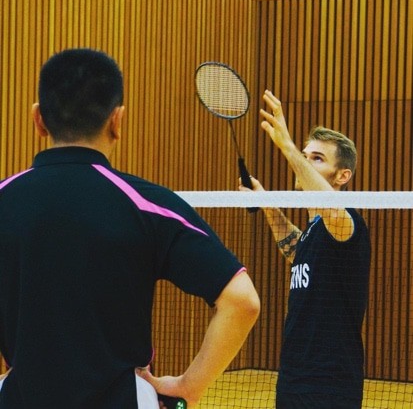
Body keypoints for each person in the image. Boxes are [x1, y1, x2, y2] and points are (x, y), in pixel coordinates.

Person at [0, 48, 260, 408]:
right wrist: (190, 385)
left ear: (38, 119)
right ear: (117, 121)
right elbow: (242, 301)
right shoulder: (148, 204)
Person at [239, 91, 371, 409]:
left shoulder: (346, 221)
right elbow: (296, 250)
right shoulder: (314, 232)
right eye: (306, 154)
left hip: (331, 384)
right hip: (293, 376)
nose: (306, 161)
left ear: (343, 176)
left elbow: (334, 213)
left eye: (317, 158)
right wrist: (268, 204)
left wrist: (287, 146)